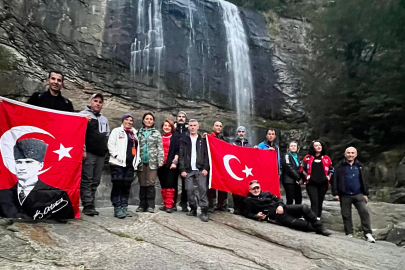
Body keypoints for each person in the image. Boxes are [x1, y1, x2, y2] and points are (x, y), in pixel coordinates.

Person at [0, 139, 74, 220]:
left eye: (28, 162)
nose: (22, 167)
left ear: (40, 166)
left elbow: (65, 222)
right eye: (18, 162)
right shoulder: (4, 194)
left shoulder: (57, 195)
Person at [243, 180, 331, 236]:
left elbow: (278, 199)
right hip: (277, 216)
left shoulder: (266, 193)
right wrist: (256, 216)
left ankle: (320, 227)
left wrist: (280, 205)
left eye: (257, 188)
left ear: (260, 188)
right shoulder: (249, 200)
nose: (256, 190)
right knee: (302, 225)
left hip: (284, 208)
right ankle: (316, 228)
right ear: (250, 190)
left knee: (304, 207)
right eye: (253, 189)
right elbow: (247, 213)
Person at [332, 147, 376, 243]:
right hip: (344, 194)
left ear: (356, 155)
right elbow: (334, 180)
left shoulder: (360, 166)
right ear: (345, 154)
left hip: (358, 194)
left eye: (352, 153)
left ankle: (368, 233)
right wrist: (335, 193)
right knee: (346, 214)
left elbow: (365, 180)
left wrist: (365, 193)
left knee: (364, 213)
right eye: (348, 153)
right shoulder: (339, 166)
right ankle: (349, 233)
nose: (350, 155)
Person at [80, 93, 110, 216]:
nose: (97, 104)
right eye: (95, 101)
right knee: (87, 178)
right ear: (91, 102)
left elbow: (107, 136)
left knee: (96, 180)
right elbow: (78, 134)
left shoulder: (104, 119)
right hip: (89, 153)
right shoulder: (83, 115)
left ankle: (91, 202)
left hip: (100, 154)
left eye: (100, 102)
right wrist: (83, 150)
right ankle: (87, 204)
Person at [107, 113, 140, 219]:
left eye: (131, 120)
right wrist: (116, 155)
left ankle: (124, 207)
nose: (129, 122)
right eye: (127, 119)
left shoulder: (134, 133)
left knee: (126, 186)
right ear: (123, 121)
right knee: (118, 185)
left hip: (130, 164)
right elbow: (111, 144)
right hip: (118, 163)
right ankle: (117, 207)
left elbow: (137, 148)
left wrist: (136, 160)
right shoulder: (116, 131)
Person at [179, 119, 210, 222]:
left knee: (203, 189)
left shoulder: (203, 140)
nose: (192, 127)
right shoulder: (184, 140)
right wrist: (182, 169)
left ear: (198, 127)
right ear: (188, 127)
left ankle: (204, 211)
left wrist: (206, 168)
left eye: (194, 125)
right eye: (191, 125)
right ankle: (193, 208)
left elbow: (207, 155)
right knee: (189, 189)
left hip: (200, 169)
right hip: (188, 169)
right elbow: (181, 155)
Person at [136, 112, 164, 213]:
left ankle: (151, 205)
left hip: (153, 162)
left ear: (153, 121)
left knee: (151, 183)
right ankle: (142, 205)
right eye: (147, 119)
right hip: (141, 162)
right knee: (142, 183)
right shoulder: (138, 132)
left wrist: (160, 160)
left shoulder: (156, 133)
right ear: (143, 120)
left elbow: (160, 148)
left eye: (151, 119)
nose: (149, 120)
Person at [299, 140, 333, 219]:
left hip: (323, 183)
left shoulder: (326, 158)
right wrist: (306, 176)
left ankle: (318, 218)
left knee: (320, 201)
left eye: (320, 145)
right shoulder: (307, 157)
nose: (318, 147)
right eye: (316, 145)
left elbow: (331, 169)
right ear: (313, 147)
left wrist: (328, 177)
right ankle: (313, 219)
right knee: (314, 201)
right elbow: (301, 168)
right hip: (311, 183)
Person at [157, 119, 180, 213]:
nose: (166, 127)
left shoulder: (174, 138)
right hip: (160, 164)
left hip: (171, 165)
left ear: (172, 128)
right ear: (162, 127)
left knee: (170, 184)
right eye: (165, 125)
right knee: (163, 185)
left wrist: (174, 162)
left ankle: (169, 205)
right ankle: (165, 203)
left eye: (169, 126)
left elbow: (177, 151)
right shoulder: (159, 137)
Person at [207, 121, 228, 212]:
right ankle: (211, 204)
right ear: (213, 127)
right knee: (211, 185)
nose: (218, 127)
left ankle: (221, 204)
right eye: (217, 126)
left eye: (220, 126)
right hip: (211, 164)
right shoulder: (208, 137)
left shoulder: (224, 139)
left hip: (221, 164)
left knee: (223, 184)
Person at [232, 126, 252, 215]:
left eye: (242, 131)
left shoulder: (249, 145)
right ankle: (236, 207)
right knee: (235, 189)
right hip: (236, 169)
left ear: (245, 133)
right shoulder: (233, 144)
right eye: (239, 131)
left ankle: (244, 208)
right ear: (237, 133)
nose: (241, 133)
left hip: (246, 170)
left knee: (245, 188)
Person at [173, 111, 189, 212]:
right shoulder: (172, 129)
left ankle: (184, 203)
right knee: (173, 182)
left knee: (186, 184)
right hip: (173, 159)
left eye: (183, 117)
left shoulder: (189, 130)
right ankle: (172, 203)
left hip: (186, 160)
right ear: (176, 118)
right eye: (179, 116)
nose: (181, 118)